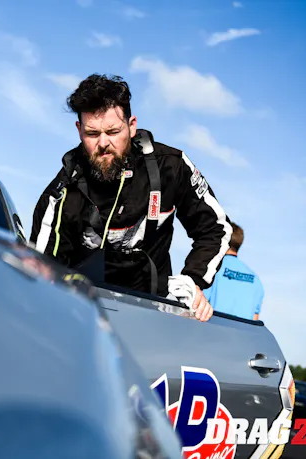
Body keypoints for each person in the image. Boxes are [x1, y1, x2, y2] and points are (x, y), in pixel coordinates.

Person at [29, 74, 232, 322]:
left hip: (153, 312)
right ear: (79, 130)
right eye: (92, 134)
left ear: (132, 126)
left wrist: (193, 280)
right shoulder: (62, 192)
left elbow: (216, 228)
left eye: (113, 131)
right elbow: (41, 269)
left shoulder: (171, 166)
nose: (103, 143)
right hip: (85, 315)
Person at [203, 222, 264, 320]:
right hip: (242, 330)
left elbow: (198, 306)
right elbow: (254, 319)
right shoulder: (255, 280)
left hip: (213, 328)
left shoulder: (213, 269)